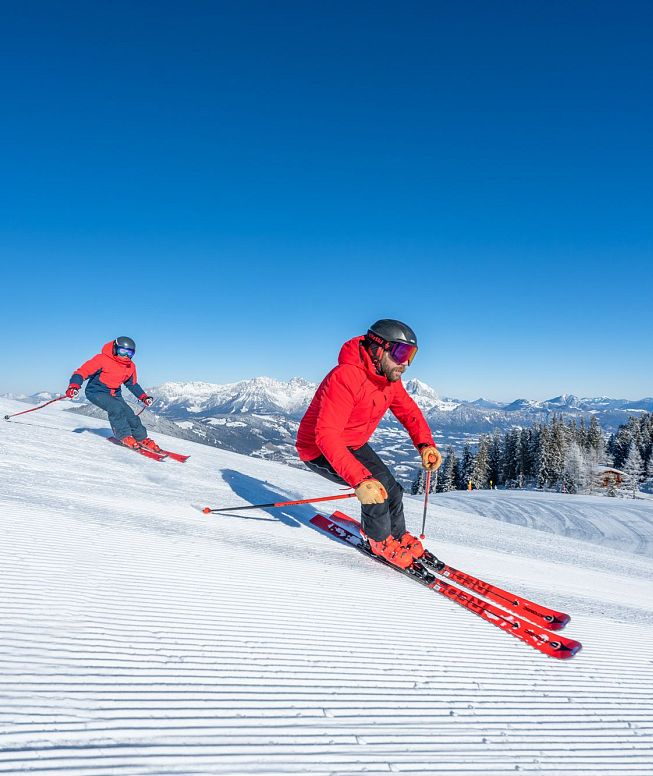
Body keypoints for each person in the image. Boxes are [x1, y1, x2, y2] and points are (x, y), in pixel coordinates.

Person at [296, 319, 442, 568]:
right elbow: (326, 435)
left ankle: (397, 535)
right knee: (377, 491)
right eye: (401, 353)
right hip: (319, 449)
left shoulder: (388, 380)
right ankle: (379, 540)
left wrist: (424, 444)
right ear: (378, 349)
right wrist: (360, 480)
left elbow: (409, 412)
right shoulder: (345, 377)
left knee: (393, 489)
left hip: (353, 442)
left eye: (412, 355)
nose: (405, 364)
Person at [66, 337, 161, 452]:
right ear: (115, 348)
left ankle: (142, 438)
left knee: (130, 414)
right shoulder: (102, 359)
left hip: (115, 394)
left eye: (130, 353)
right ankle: (124, 436)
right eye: (122, 351)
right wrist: (74, 385)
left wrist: (144, 397)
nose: (126, 355)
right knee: (115, 407)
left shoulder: (130, 366)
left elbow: (132, 384)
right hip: (96, 391)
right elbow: (82, 372)